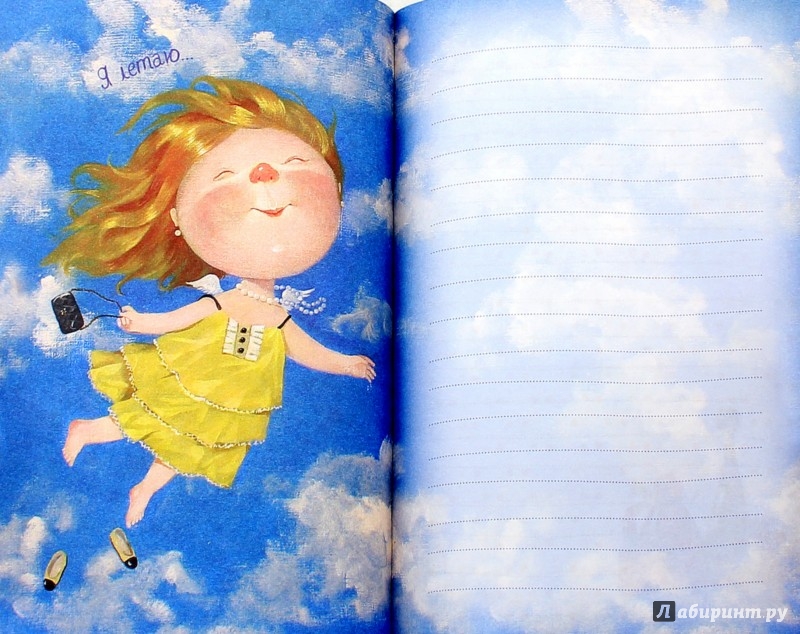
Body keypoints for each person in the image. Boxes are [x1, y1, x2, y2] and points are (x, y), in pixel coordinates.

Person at [45, 76, 376, 528]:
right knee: (151, 418)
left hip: (232, 397)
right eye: (225, 175)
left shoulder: (277, 316)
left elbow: (305, 350)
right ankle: (88, 429)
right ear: (179, 219)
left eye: (295, 162)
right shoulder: (225, 301)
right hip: (195, 375)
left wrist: (347, 363)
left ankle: (144, 489)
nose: (265, 174)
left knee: (189, 444)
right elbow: (179, 319)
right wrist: (141, 322)